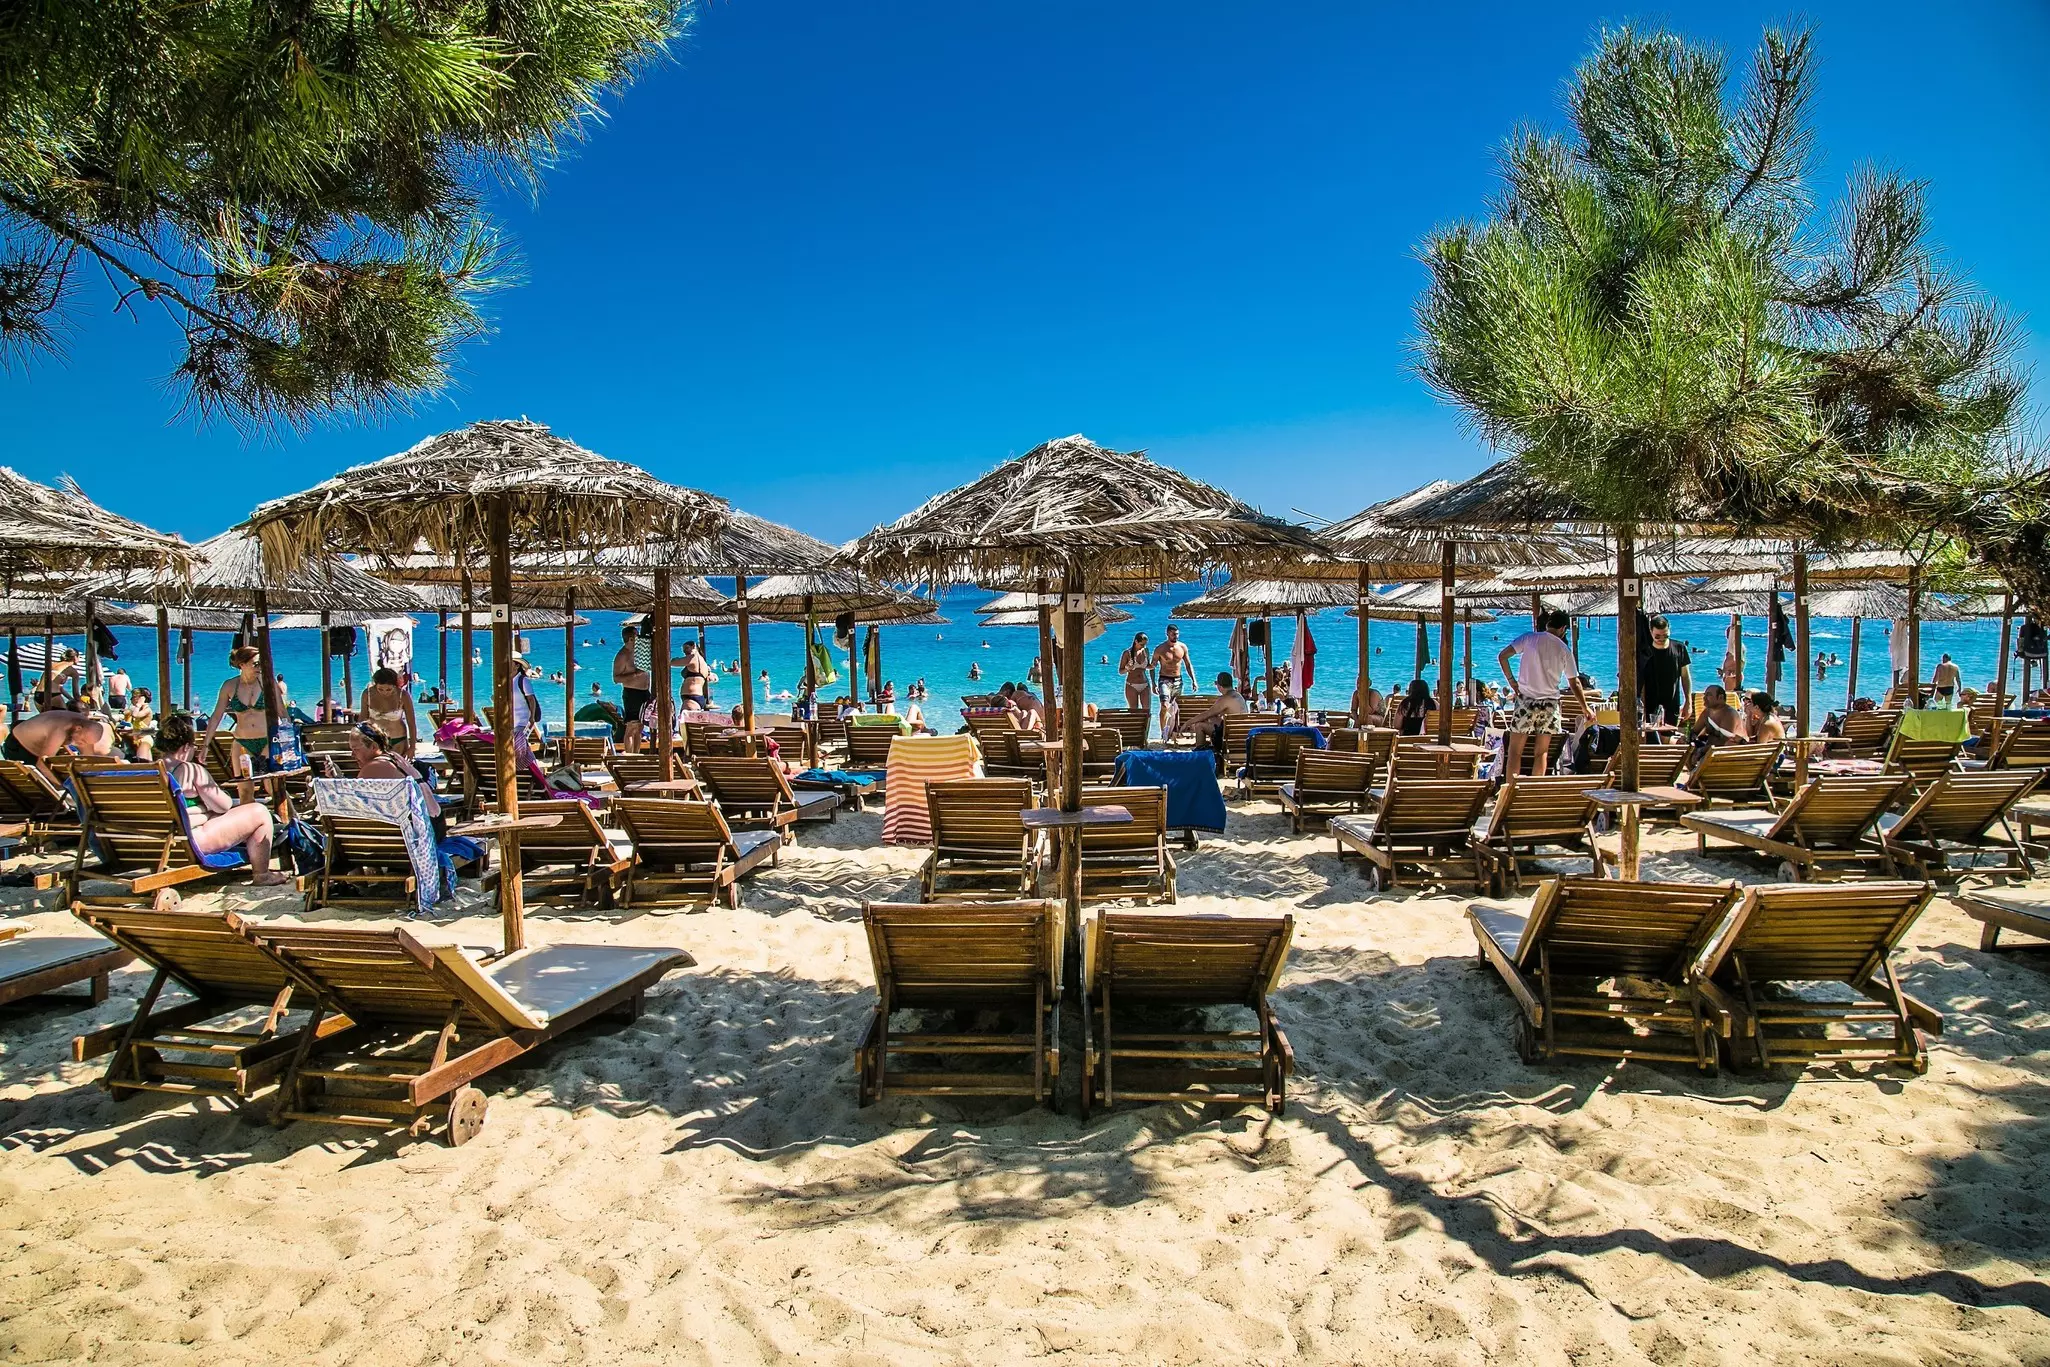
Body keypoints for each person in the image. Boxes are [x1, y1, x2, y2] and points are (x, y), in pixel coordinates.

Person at [156, 714, 290, 886]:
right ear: (185, 747)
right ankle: (262, 874)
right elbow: (223, 805)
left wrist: (200, 812)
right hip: (190, 842)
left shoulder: (144, 772)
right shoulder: (189, 770)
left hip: (155, 843)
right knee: (259, 812)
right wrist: (205, 812)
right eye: (194, 747)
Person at [1498, 609, 1591, 778]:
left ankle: (1511, 788)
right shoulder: (1564, 649)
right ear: (1563, 629)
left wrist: (1512, 682)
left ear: (1548, 623)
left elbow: (1502, 656)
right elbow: (1574, 682)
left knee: (1514, 752)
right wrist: (1585, 708)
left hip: (1525, 701)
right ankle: (1534, 790)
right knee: (1541, 753)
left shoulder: (1529, 638)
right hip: (1550, 704)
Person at [205, 645, 277, 774]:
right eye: (255, 664)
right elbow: (216, 716)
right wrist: (205, 745)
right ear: (242, 665)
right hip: (242, 742)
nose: (260, 667)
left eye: (261, 664)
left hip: (266, 740)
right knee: (244, 791)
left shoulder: (268, 683)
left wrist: (289, 740)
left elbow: (282, 712)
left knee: (270, 786)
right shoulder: (230, 686)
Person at [3, 698, 111, 776]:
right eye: (82, 740)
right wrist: (65, 786)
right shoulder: (60, 729)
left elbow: (88, 758)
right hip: (18, 746)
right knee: (40, 785)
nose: (82, 744)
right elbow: (42, 765)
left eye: (85, 742)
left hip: (37, 748)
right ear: (78, 728)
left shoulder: (86, 728)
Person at [1638, 615, 1692, 726]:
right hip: (1648, 704)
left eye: (1665, 636)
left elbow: (1685, 677)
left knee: (1667, 738)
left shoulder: (1679, 648)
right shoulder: (1644, 651)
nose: (1661, 639)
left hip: (1672, 703)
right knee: (1651, 740)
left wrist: (1688, 701)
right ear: (1650, 632)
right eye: (1657, 636)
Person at [358, 666, 418, 755]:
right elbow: (363, 718)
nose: (385, 692)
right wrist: (359, 739)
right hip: (375, 739)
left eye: (389, 689)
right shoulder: (367, 694)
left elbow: (411, 723)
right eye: (380, 689)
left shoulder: (403, 695)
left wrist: (412, 747)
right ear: (375, 684)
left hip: (398, 739)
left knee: (396, 768)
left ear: (395, 685)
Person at [1195, 671, 1249, 769]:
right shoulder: (1239, 696)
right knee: (1212, 719)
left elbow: (1206, 714)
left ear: (1219, 686)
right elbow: (1212, 716)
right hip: (1242, 739)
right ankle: (1212, 753)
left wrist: (1187, 724)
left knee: (1199, 726)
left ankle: (1200, 759)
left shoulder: (1225, 699)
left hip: (1228, 741)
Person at [1151, 624, 1195, 735]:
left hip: (1178, 680)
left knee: (1176, 707)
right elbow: (1152, 666)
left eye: (1177, 634)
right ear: (1167, 634)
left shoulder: (1182, 647)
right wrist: (1153, 683)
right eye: (1173, 634)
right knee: (1164, 705)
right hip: (1164, 680)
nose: (1176, 636)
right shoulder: (1160, 649)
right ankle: (1163, 732)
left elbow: (1188, 664)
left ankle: (1174, 731)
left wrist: (1194, 680)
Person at [613, 625, 652, 746]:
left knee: (640, 727)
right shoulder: (622, 656)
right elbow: (616, 678)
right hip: (632, 693)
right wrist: (636, 674)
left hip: (645, 692)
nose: (639, 637)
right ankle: (630, 757)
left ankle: (637, 755)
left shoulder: (639, 652)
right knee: (631, 726)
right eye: (637, 635)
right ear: (631, 639)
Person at [1688, 684, 1742, 750]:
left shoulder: (1730, 714)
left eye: (1709, 695)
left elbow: (1725, 743)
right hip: (1712, 751)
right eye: (1705, 695)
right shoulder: (1707, 712)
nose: (1704, 698)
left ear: (1720, 697)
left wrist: (1702, 750)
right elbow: (1694, 731)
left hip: (1728, 753)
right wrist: (1691, 739)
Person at [1118, 632, 1153, 711]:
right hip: (1131, 685)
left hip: (1145, 684)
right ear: (1136, 641)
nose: (1143, 646)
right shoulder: (1127, 653)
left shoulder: (1146, 651)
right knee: (1134, 711)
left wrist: (1153, 666)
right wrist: (1127, 668)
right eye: (1141, 644)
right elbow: (1120, 671)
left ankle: (1147, 724)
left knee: (1147, 711)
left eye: (1145, 644)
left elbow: (1148, 666)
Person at [679, 638, 714, 711]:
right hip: (693, 697)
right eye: (683, 649)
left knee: (684, 721)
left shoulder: (693, 658)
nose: (684, 651)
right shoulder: (700, 663)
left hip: (691, 698)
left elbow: (673, 662)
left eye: (686, 648)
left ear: (694, 647)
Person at [126, 688, 157, 760]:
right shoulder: (138, 709)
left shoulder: (147, 709)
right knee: (148, 761)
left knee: (141, 761)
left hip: (144, 739)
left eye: (133, 697)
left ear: (142, 698)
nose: (131, 699)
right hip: (139, 737)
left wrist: (138, 704)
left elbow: (135, 715)